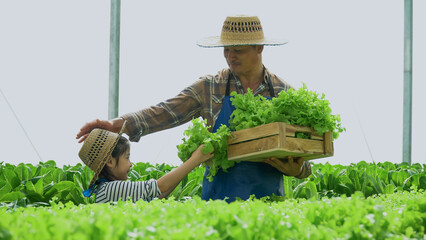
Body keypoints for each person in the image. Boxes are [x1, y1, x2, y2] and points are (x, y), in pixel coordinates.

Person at [77, 15, 312, 202]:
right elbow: (164, 112)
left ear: (259, 49)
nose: (230, 56)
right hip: (218, 202)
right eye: (226, 50)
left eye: (238, 50)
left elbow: (304, 156)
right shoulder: (209, 87)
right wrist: (116, 124)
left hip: (269, 204)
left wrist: (298, 169)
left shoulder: (284, 94)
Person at [78, 121, 213, 203]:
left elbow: (159, 194)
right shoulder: (111, 189)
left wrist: (188, 164)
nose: (131, 164)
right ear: (109, 161)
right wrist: (195, 159)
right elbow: (160, 187)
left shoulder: (107, 189)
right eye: (127, 157)